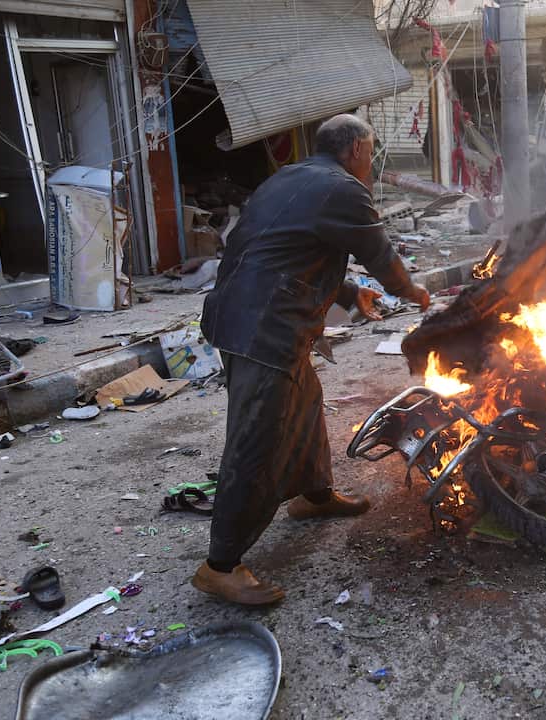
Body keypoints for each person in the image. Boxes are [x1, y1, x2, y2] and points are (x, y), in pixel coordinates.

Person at [193, 114, 432, 605]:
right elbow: (382, 256)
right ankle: (220, 565)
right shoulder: (344, 189)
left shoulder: (293, 177)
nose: (371, 162)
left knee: (303, 407)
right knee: (256, 439)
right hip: (263, 326)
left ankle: (313, 495)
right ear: (356, 151)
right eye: (370, 152)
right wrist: (413, 292)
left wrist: (346, 291)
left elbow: (282, 249)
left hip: (253, 312)